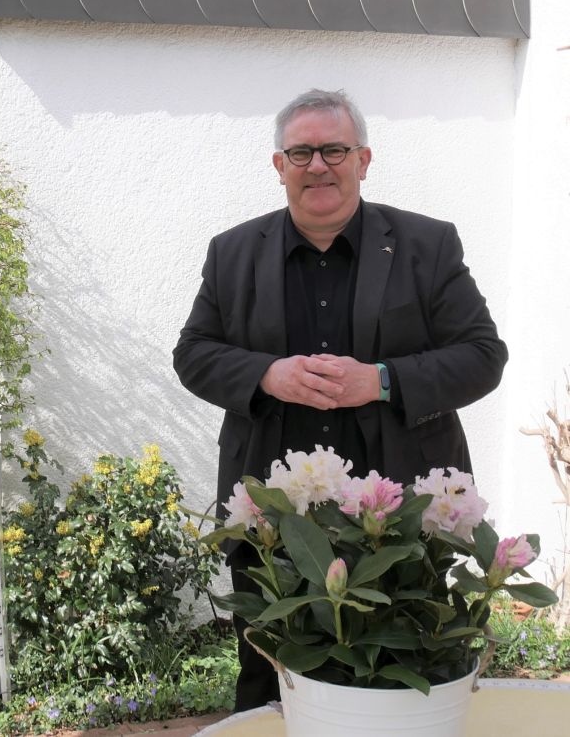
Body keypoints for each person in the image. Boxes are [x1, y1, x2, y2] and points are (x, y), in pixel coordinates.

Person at [172, 88, 507, 712]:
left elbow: (483, 355)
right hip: (273, 515)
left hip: (400, 510)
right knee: (272, 678)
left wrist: (381, 380)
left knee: (401, 678)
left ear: (363, 159)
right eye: (301, 153)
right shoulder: (232, 251)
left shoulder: (428, 244)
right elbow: (193, 353)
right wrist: (266, 374)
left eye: (334, 150)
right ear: (279, 165)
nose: (318, 165)